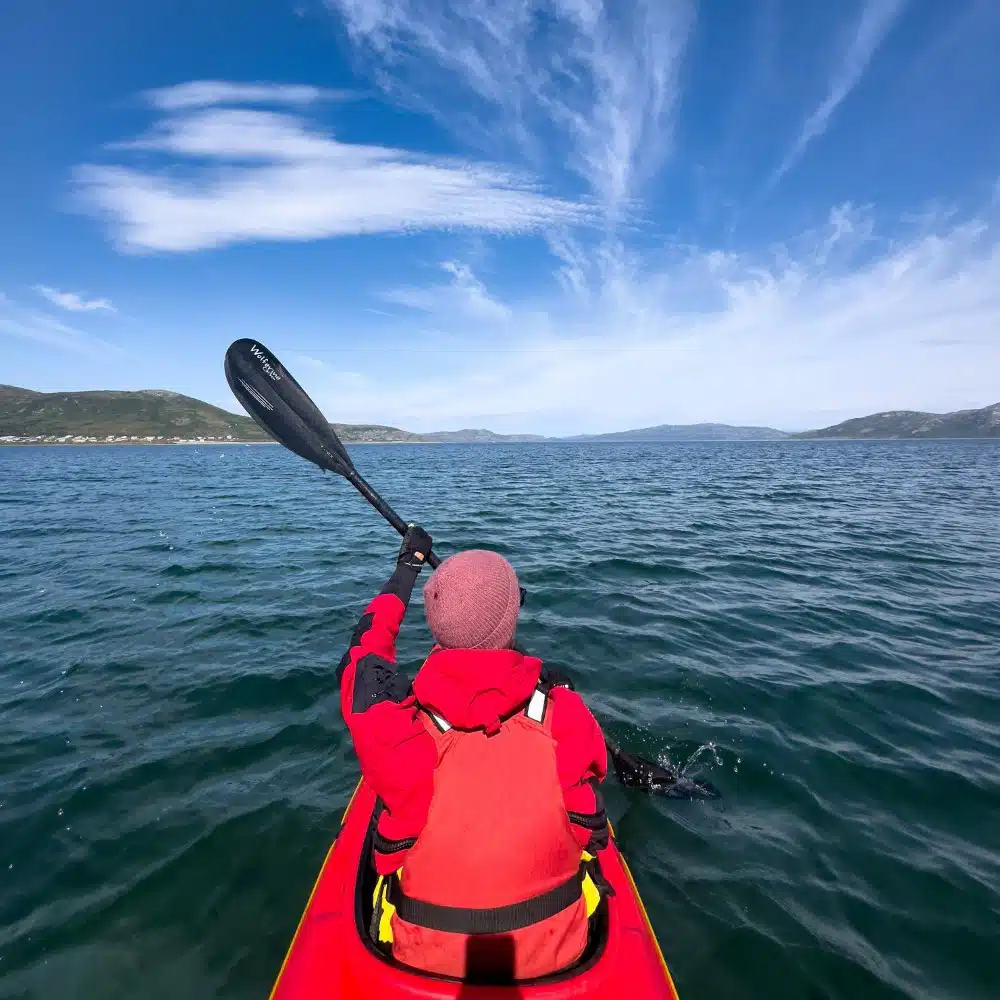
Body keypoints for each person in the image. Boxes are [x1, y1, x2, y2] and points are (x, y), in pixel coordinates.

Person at [337, 525, 611, 981]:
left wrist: (406, 571)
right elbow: (590, 830)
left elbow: (362, 652)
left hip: (424, 960)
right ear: (511, 623)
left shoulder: (396, 731)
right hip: (561, 954)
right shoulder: (565, 715)